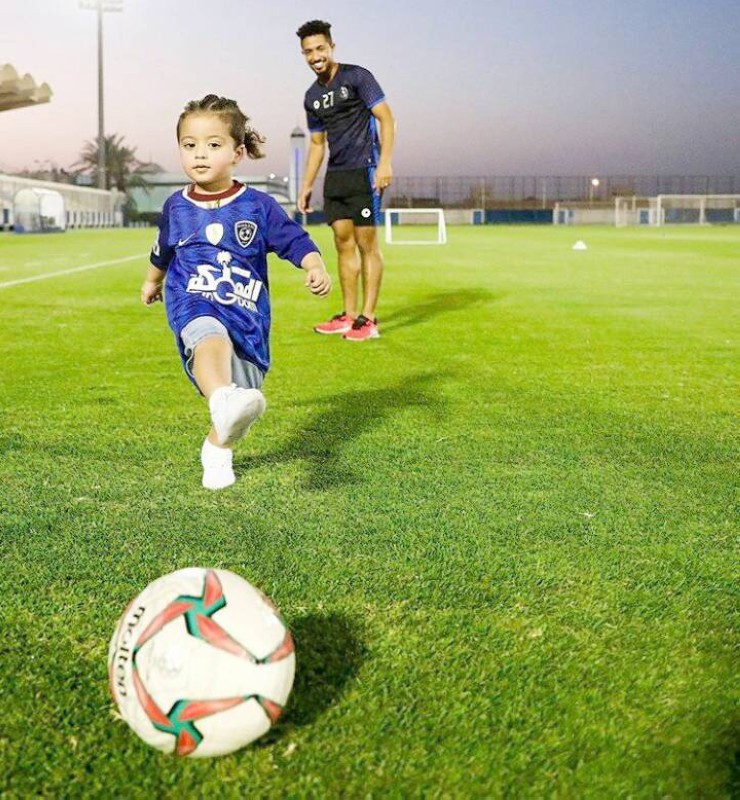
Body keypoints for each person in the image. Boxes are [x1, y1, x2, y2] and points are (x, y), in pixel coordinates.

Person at [141, 94, 331, 490]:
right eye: (189, 145)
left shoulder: (258, 206)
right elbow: (163, 249)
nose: (200, 154)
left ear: (237, 152)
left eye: (214, 144)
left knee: (244, 403)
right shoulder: (176, 206)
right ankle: (221, 397)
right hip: (193, 299)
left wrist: (314, 264)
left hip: (247, 314)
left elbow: (294, 240)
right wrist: (152, 280)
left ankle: (216, 449)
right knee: (208, 334)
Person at [296, 19, 395, 341]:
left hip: (364, 170)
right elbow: (316, 144)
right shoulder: (312, 96)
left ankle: (368, 319)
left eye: (320, 48)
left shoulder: (357, 77)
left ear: (331, 47)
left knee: (368, 245)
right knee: (342, 244)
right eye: (308, 51)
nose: (315, 56)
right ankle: (348, 315)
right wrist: (307, 185)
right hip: (335, 177)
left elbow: (387, 119)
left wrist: (384, 164)